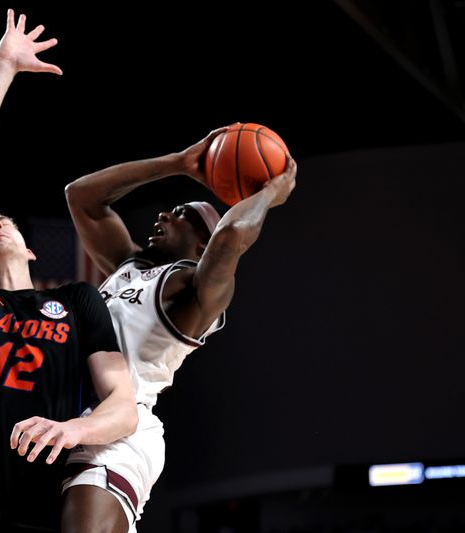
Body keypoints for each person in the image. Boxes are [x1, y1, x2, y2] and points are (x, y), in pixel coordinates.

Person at [0, 10, 138, 532]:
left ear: (31, 249)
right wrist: (3, 66)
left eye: (3, 221)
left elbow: (124, 407)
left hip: (46, 518)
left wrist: (73, 430)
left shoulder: (79, 301)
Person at [60, 127, 297, 532]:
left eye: (182, 214)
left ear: (202, 245)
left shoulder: (190, 291)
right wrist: (179, 163)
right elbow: (81, 196)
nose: (163, 214)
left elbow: (232, 235)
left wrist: (269, 195)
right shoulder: (127, 266)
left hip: (118, 433)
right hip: (65, 420)